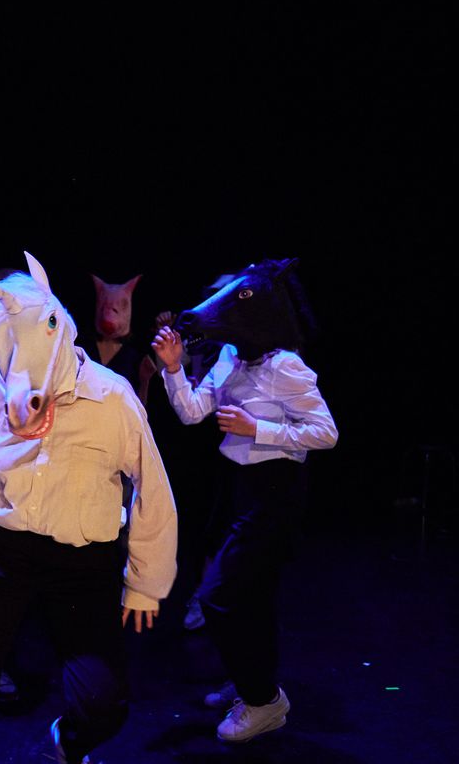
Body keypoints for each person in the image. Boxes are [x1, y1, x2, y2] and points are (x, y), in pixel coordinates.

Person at [0, 254, 177, 764]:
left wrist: (145, 582)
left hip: (83, 564)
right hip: (2, 552)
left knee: (104, 703)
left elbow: (153, 489)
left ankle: (67, 743)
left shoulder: (113, 398)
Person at [152, 257, 338, 743]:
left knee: (219, 596)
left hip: (275, 493)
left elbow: (326, 433)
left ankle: (264, 701)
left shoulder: (285, 366)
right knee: (251, 597)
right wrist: (173, 369)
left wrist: (260, 428)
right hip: (238, 488)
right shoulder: (231, 357)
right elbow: (192, 412)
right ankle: (251, 682)